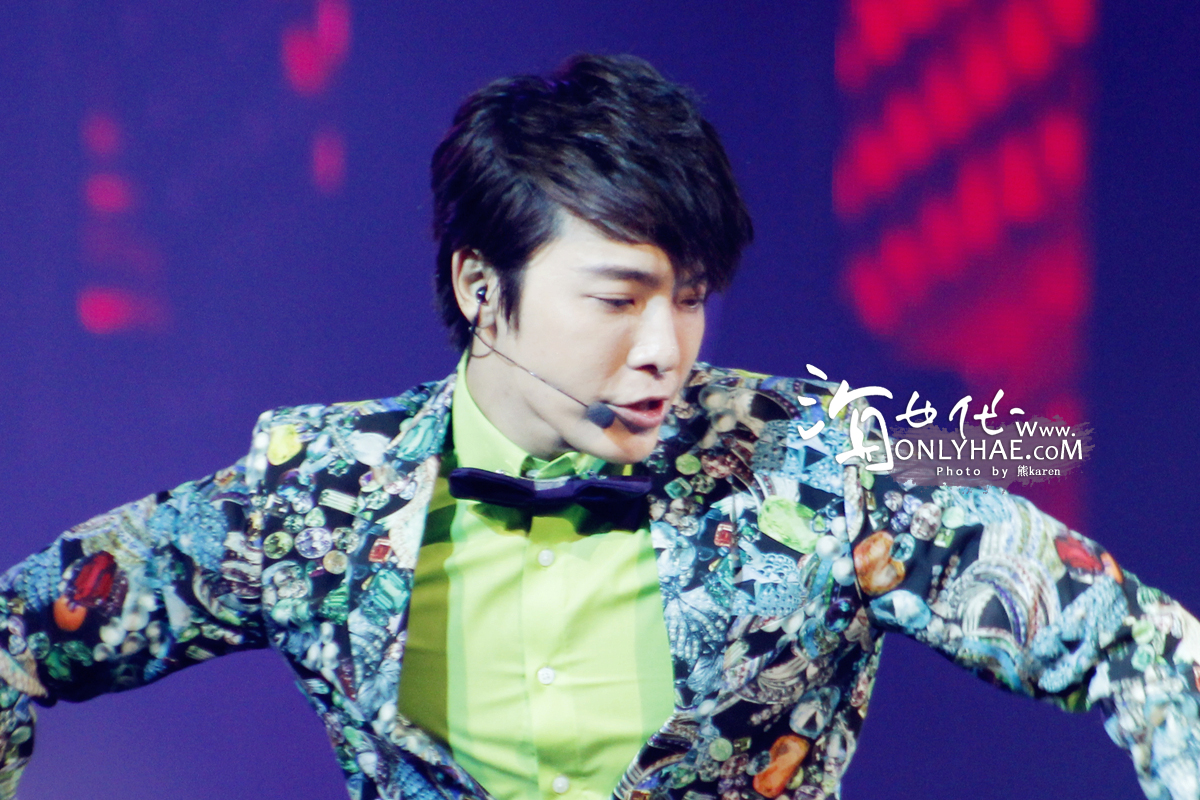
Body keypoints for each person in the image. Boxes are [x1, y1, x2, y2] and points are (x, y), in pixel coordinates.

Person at [0, 54, 1197, 800]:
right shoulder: (321, 492)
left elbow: (1140, 645)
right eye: (618, 298)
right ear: (483, 287)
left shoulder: (818, 467)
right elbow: (20, 635)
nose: (667, 347)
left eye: (690, 296)